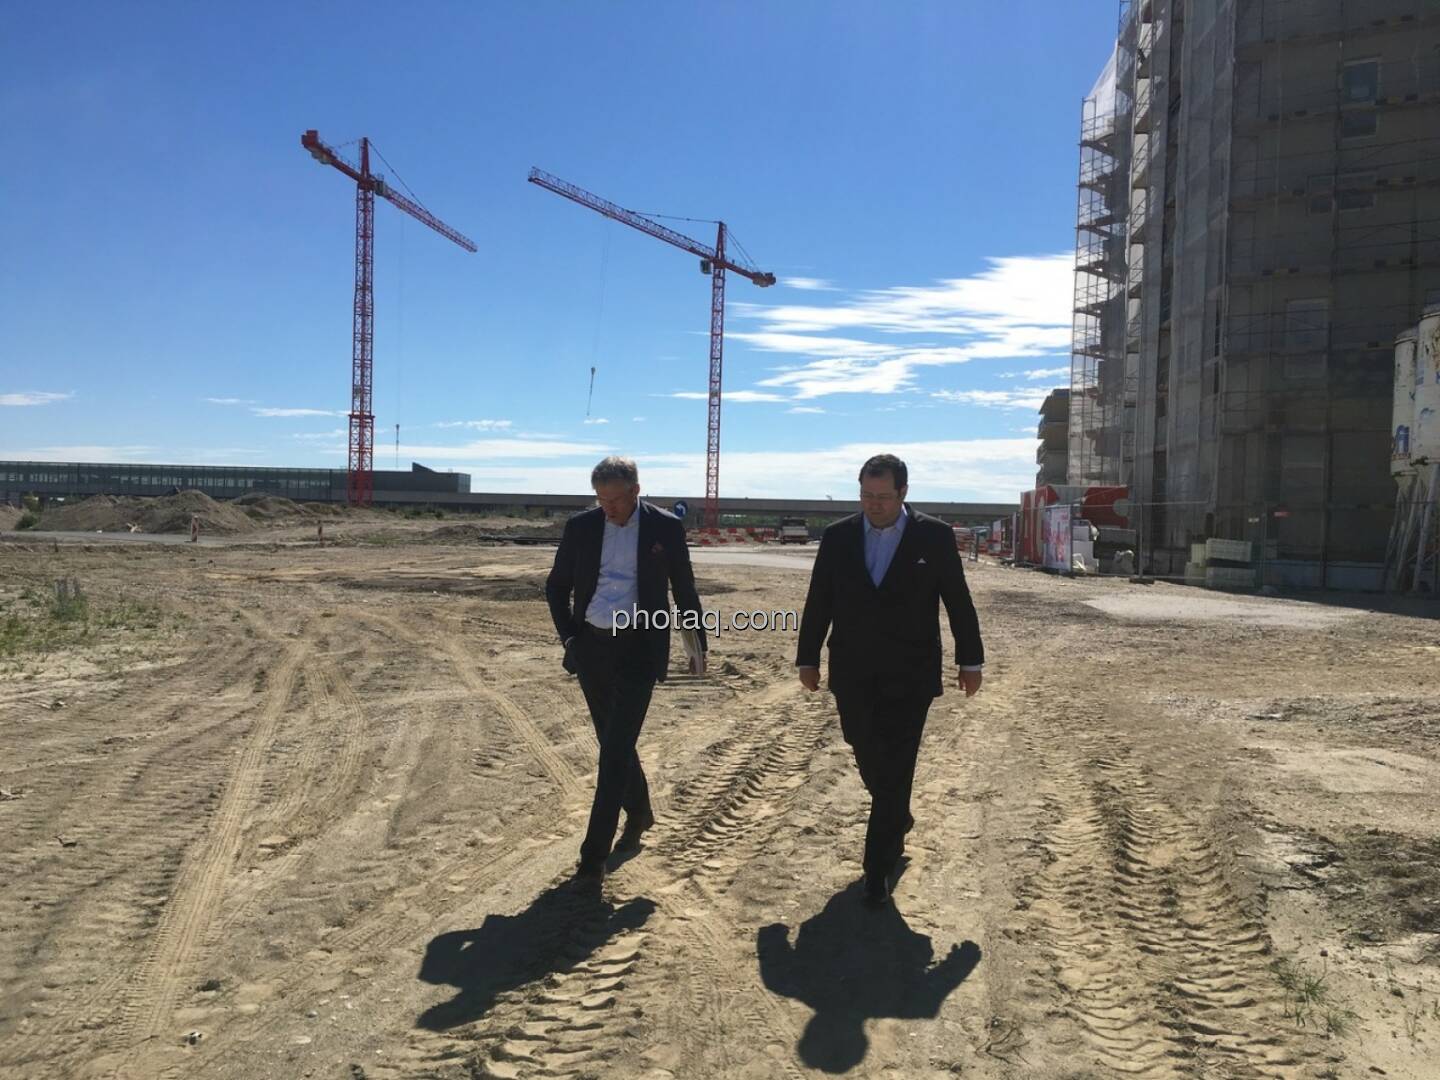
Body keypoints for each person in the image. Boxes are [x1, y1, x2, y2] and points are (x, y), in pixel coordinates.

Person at [796, 454, 984, 906]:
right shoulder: (839, 536)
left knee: (897, 763)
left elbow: (957, 600)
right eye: (866, 495)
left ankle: (877, 868)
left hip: (911, 672)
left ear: (903, 493)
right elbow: (820, 599)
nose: (874, 504)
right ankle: (896, 814)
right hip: (852, 669)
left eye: (882, 496)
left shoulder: (933, 536)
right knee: (864, 749)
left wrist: (971, 661)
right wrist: (807, 658)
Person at [545, 456, 707, 882]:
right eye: (601, 500)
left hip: (640, 647)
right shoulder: (581, 527)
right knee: (612, 742)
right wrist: (570, 639)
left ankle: (593, 858)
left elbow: (683, 588)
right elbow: (556, 586)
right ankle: (639, 812)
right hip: (592, 648)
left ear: (636, 491)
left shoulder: (665, 528)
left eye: (615, 500)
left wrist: (695, 644)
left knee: (614, 751)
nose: (608, 508)